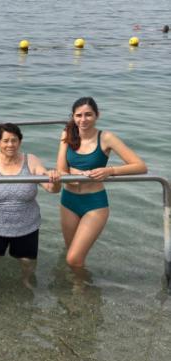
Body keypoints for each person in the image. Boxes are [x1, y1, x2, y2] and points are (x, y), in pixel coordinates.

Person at [0, 123, 61, 288]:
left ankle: (26, 280)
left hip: (26, 224)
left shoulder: (30, 160)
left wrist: (54, 178)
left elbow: (51, 189)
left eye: (14, 140)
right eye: (6, 141)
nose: (10, 145)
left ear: (20, 142)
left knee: (27, 262)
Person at [56, 97, 147, 271]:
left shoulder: (106, 137)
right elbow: (61, 169)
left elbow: (140, 166)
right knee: (73, 255)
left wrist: (110, 170)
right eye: (79, 115)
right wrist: (69, 176)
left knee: (73, 259)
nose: (83, 120)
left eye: (88, 115)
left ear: (97, 115)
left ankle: (82, 294)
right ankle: (76, 290)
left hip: (95, 204)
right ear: (73, 117)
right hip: (68, 201)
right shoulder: (66, 134)